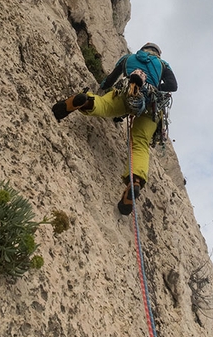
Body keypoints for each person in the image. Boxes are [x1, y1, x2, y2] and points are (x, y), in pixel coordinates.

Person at [52, 43, 178, 215]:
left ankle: (86, 101)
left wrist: (101, 86)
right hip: (150, 106)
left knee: (103, 105)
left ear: (143, 49)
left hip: (125, 93)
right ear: (158, 53)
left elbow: (110, 79)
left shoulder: (128, 58)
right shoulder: (163, 65)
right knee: (139, 143)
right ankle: (135, 182)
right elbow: (173, 85)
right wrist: (154, 89)